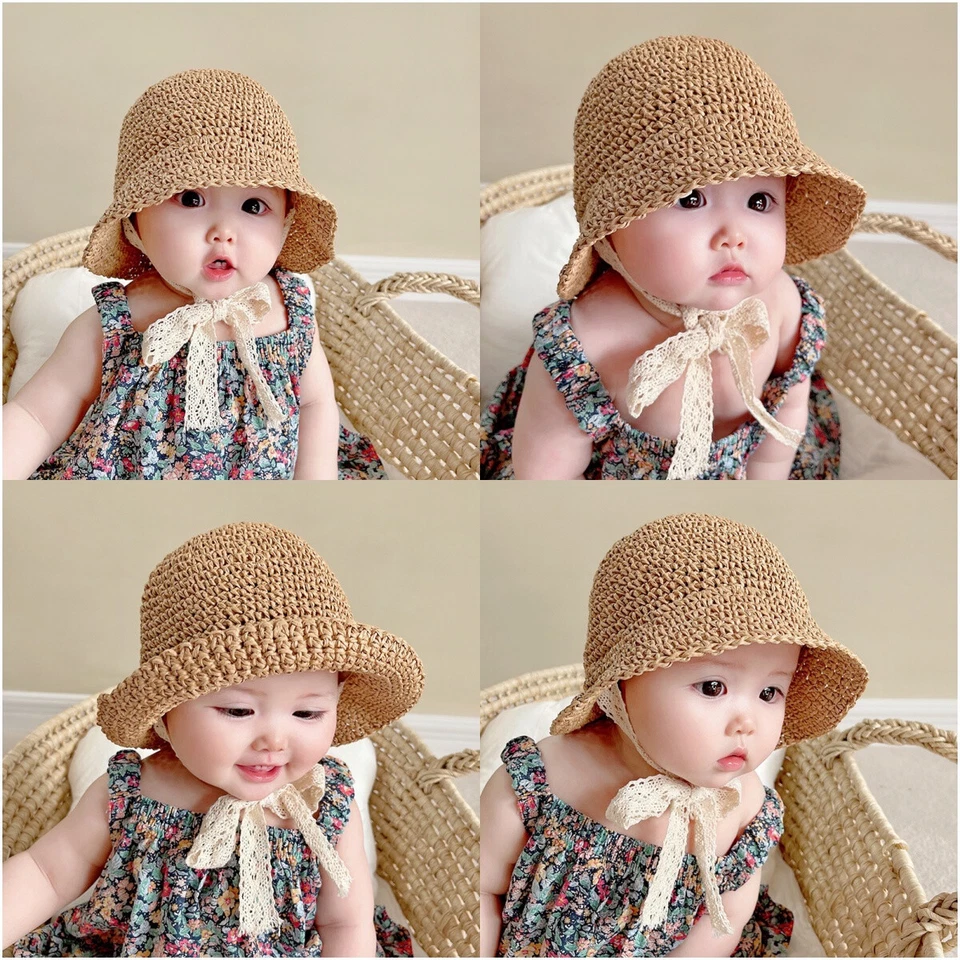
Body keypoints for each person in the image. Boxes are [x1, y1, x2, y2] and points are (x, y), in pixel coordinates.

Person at [2, 522, 423, 956]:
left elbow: (344, 924)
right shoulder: (132, 791)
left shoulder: (324, 804)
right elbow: (46, 873)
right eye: (238, 711)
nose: (274, 740)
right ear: (167, 713)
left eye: (307, 713)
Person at [480, 514, 869, 956]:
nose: (748, 722)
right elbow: (484, 888)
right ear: (621, 683)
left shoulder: (743, 807)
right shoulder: (543, 778)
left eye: (769, 692)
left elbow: (725, 921)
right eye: (712, 687)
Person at [480, 37, 867, 480]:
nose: (733, 236)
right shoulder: (585, 341)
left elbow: (788, 410)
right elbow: (544, 473)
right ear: (613, 228)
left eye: (759, 201)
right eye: (690, 199)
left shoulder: (783, 305)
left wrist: (768, 481)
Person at [2, 69, 384, 480]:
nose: (224, 231)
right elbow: (36, 417)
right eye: (191, 198)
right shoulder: (116, 324)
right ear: (134, 225)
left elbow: (315, 404)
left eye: (253, 206)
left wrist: (312, 492)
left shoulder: (290, 312)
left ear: (286, 224)